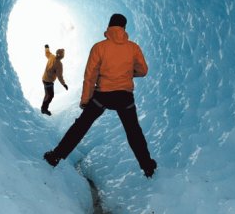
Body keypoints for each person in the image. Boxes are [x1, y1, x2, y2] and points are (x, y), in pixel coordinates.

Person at [44, 14, 157, 178]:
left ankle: (55, 156)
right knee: (133, 131)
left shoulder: (99, 47)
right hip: (124, 97)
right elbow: (143, 70)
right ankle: (148, 167)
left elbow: (90, 76)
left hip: (101, 96)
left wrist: (85, 100)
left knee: (80, 126)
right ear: (124, 28)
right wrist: (127, 74)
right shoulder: (133, 48)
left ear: (109, 26)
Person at [41, 45, 68, 116]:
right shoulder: (59, 64)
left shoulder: (52, 56)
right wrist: (64, 84)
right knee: (50, 95)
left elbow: (47, 53)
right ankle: (44, 109)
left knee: (47, 94)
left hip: (44, 79)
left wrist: (46, 48)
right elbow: (59, 76)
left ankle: (43, 108)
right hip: (49, 81)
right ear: (62, 56)